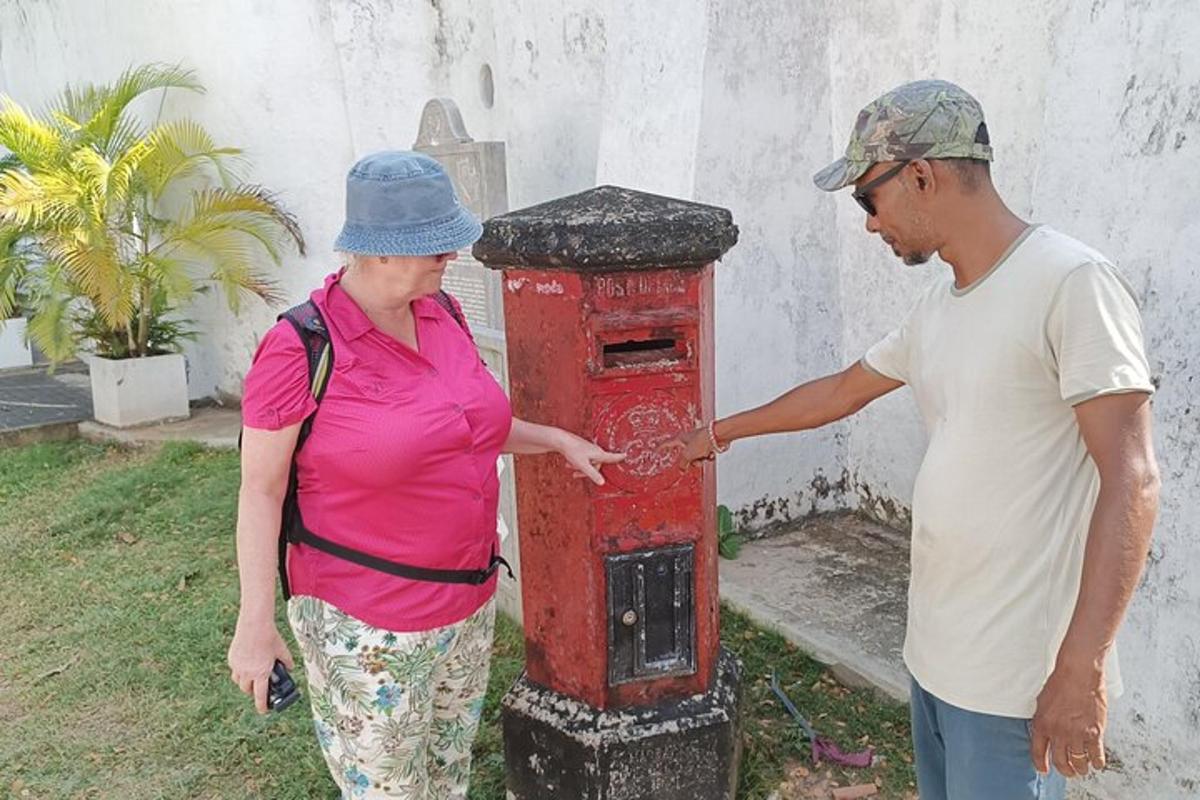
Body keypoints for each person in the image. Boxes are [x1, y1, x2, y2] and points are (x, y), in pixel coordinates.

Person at [667, 80, 1160, 800]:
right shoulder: (941, 305)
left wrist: (1081, 667)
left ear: (922, 175)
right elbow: (841, 391)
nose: (869, 223)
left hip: (1014, 681)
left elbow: (1134, 480)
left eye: (869, 197)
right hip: (938, 661)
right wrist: (717, 434)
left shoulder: (1071, 283)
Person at [227, 150, 623, 799]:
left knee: (446, 774)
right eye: (438, 246)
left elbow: (468, 429)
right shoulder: (301, 347)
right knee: (388, 790)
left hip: (465, 605)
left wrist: (553, 439)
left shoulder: (444, 315)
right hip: (366, 625)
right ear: (381, 251)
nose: (453, 258)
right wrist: (254, 625)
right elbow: (261, 489)